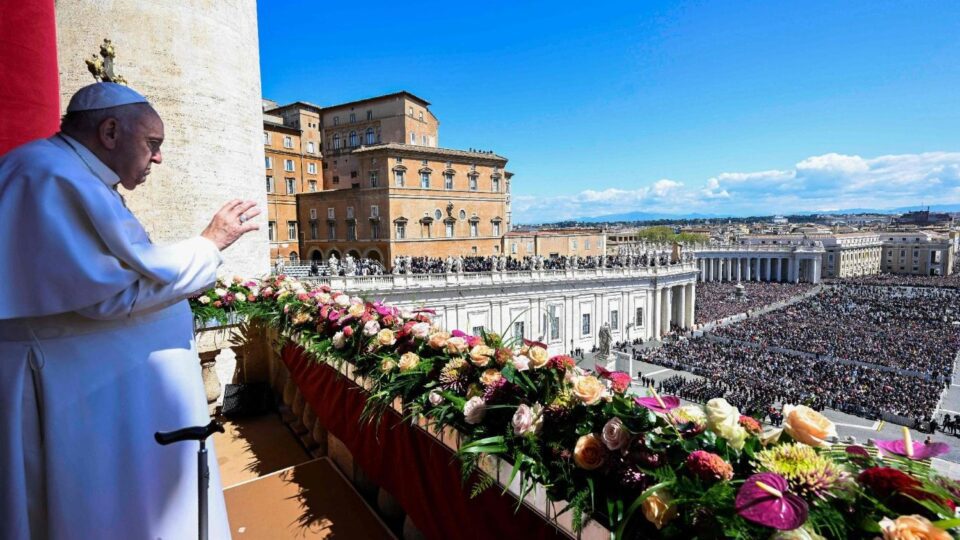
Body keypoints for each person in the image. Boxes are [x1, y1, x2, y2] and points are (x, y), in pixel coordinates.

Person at [0, 82, 258, 539]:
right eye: (153, 144)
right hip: (72, 392)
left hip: (91, 387)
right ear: (111, 131)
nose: (158, 158)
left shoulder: (65, 173)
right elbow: (112, 294)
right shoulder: (51, 176)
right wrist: (210, 243)